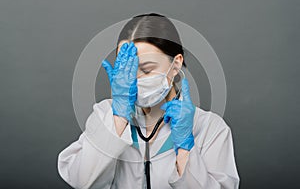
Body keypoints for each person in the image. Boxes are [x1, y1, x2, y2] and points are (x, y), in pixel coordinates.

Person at [57, 13, 240, 189]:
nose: (135, 82)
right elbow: (82, 182)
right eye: (128, 71)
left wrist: (185, 150)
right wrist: (118, 118)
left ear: (176, 64)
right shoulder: (106, 115)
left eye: (146, 70)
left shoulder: (210, 128)